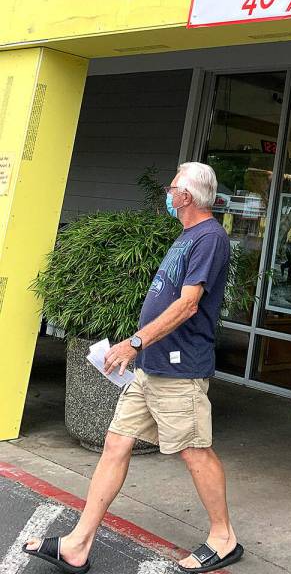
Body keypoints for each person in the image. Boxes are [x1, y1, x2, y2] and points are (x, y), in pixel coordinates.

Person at [24, 162, 243, 574]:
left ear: (188, 197)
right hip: (151, 367)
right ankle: (77, 543)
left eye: (173, 186)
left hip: (179, 370)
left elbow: (189, 303)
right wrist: (140, 348)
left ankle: (223, 537)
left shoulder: (210, 237)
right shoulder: (188, 235)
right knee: (115, 444)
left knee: (195, 452)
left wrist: (136, 340)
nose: (168, 191)